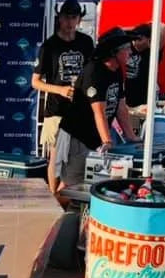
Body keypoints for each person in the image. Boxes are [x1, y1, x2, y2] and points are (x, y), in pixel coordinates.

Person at [55, 27, 141, 197]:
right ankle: (54, 211)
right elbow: (98, 111)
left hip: (95, 137)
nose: (130, 52)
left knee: (91, 184)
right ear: (114, 52)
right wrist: (107, 141)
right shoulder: (94, 72)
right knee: (70, 186)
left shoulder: (116, 71)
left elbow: (121, 107)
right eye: (126, 49)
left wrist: (131, 136)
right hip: (78, 136)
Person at [31, 0, 95, 193]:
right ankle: (53, 196)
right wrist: (59, 90)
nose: (69, 22)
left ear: (79, 19)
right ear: (59, 18)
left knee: (79, 156)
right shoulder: (49, 46)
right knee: (55, 157)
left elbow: (93, 72)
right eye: (66, 17)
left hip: (81, 111)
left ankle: (68, 196)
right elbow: (35, 82)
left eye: (73, 17)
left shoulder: (86, 42)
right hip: (56, 110)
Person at [124, 22, 165, 109]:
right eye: (134, 40)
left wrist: (147, 28)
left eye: (139, 39)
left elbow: (163, 27)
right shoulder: (129, 49)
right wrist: (135, 31)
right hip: (127, 100)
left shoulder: (152, 52)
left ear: (149, 39)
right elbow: (117, 32)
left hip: (145, 102)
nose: (135, 43)